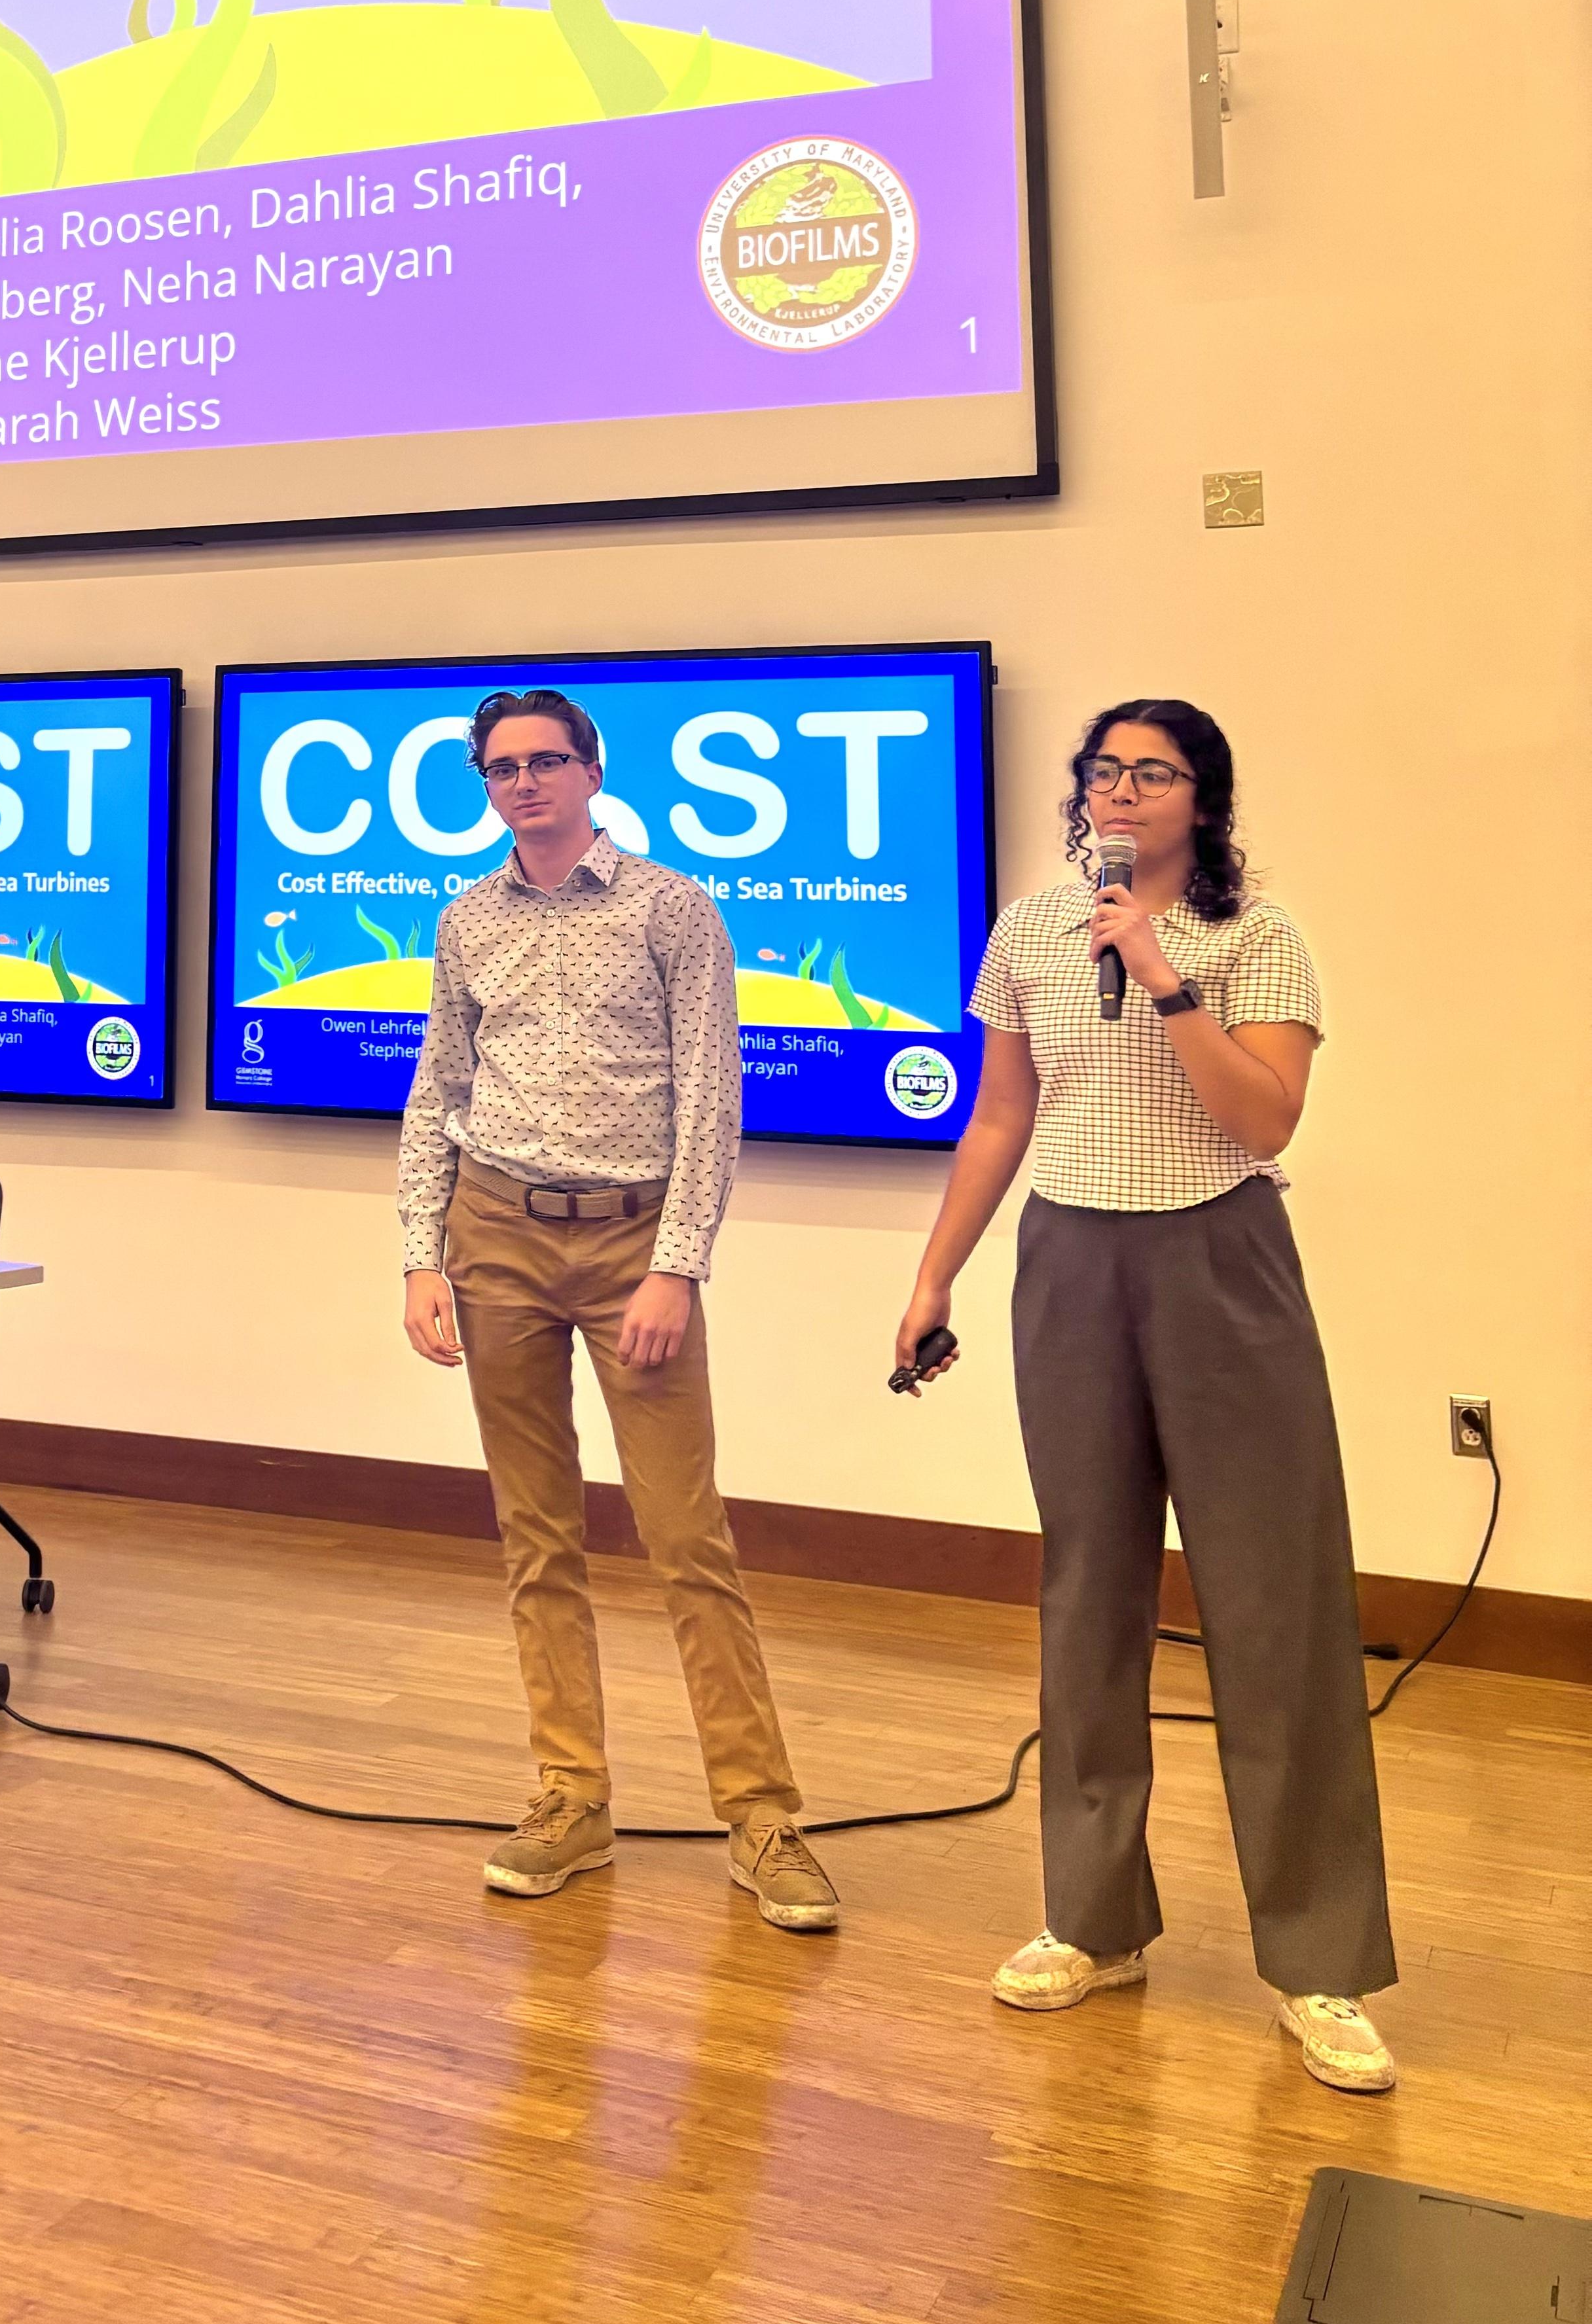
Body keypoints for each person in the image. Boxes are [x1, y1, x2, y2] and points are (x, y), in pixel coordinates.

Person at [894, 699, 1398, 2093]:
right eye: (1106, 771)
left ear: (1203, 798)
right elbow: (1000, 1113)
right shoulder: (1029, 932)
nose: (1124, 792)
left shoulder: (1258, 941)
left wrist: (1163, 973)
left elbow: (1265, 1118)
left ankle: (1319, 1961)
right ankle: (1093, 1919)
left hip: (1220, 1256)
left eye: (1154, 773)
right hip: (1068, 1259)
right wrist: (936, 1275)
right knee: (1088, 1591)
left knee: (1273, 1603)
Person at [401, 689, 839, 1925]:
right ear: (485, 787)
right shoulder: (467, 920)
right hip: (494, 1236)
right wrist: (421, 1256)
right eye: (503, 769)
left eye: (548, 761)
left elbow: (712, 1095)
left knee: (686, 1536)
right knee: (535, 1536)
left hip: (634, 1240)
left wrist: (678, 1264)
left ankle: (762, 1820)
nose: (526, 783)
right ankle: (571, 1797)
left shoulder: (671, 907)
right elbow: (440, 1091)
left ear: (593, 772)